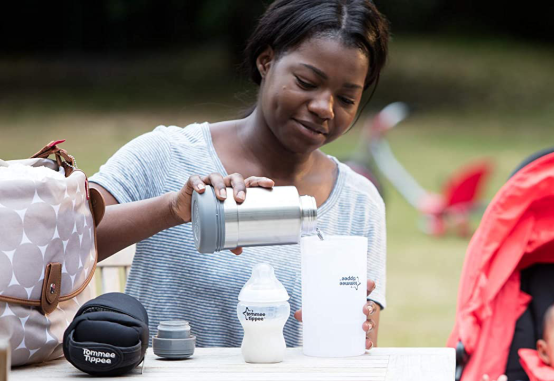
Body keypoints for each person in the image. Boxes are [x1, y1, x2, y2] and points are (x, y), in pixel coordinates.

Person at [88, 0, 390, 349]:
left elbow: (365, 348)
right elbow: (61, 243)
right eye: (307, 82)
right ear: (266, 61)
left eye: (347, 99)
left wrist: (354, 329)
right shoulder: (168, 154)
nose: (325, 107)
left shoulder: (358, 202)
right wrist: (172, 209)